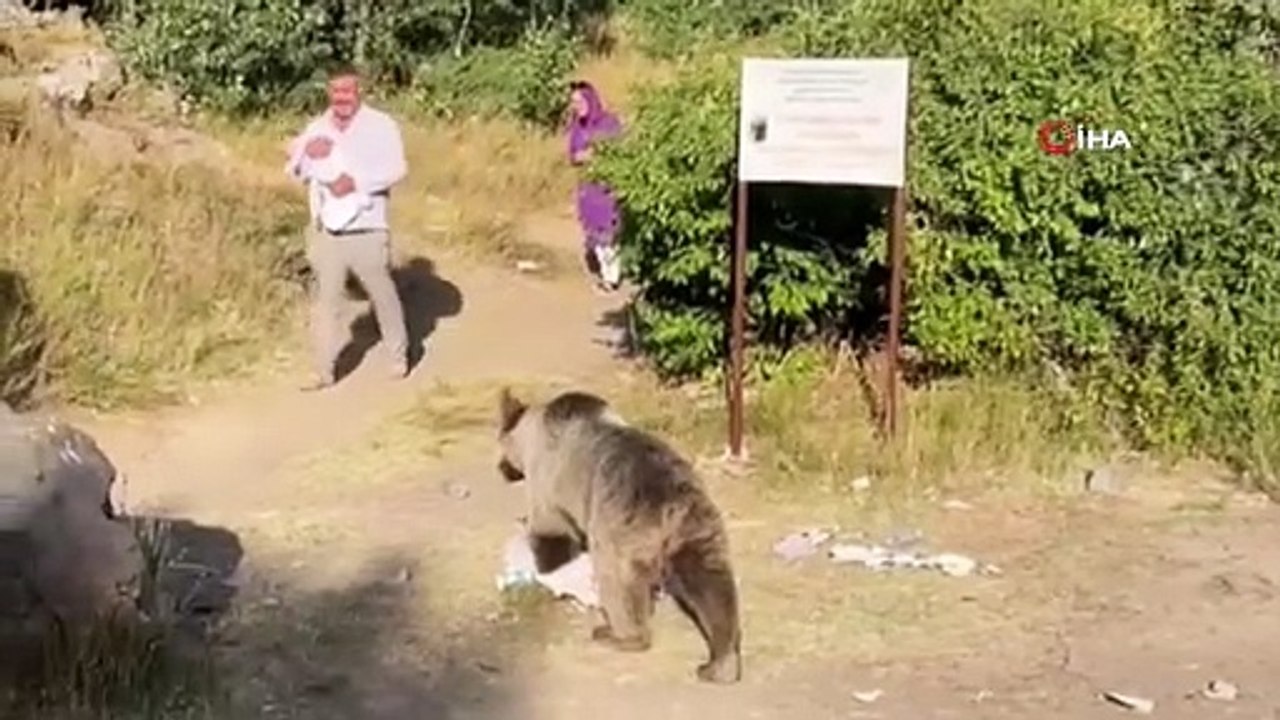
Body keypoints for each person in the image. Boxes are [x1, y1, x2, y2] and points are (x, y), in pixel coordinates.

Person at [285, 65, 409, 390]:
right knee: (326, 299)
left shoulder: (382, 126)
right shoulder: (316, 127)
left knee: (381, 291)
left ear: (359, 92)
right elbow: (296, 170)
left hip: (367, 225)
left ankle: (399, 354)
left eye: (347, 91)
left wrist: (358, 183)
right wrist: (305, 155)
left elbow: (398, 169)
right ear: (329, 92)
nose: (341, 98)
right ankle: (322, 370)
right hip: (328, 227)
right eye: (336, 92)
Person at [566, 80, 624, 292]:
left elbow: (617, 151)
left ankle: (612, 277)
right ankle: (606, 273)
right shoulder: (577, 127)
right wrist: (586, 156)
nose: (576, 106)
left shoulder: (608, 123)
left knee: (608, 232)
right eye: (573, 102)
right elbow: (573, 155)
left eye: (580, 101)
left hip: (607, 186)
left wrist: (594, 155)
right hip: (588, 187)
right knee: (593, 232)